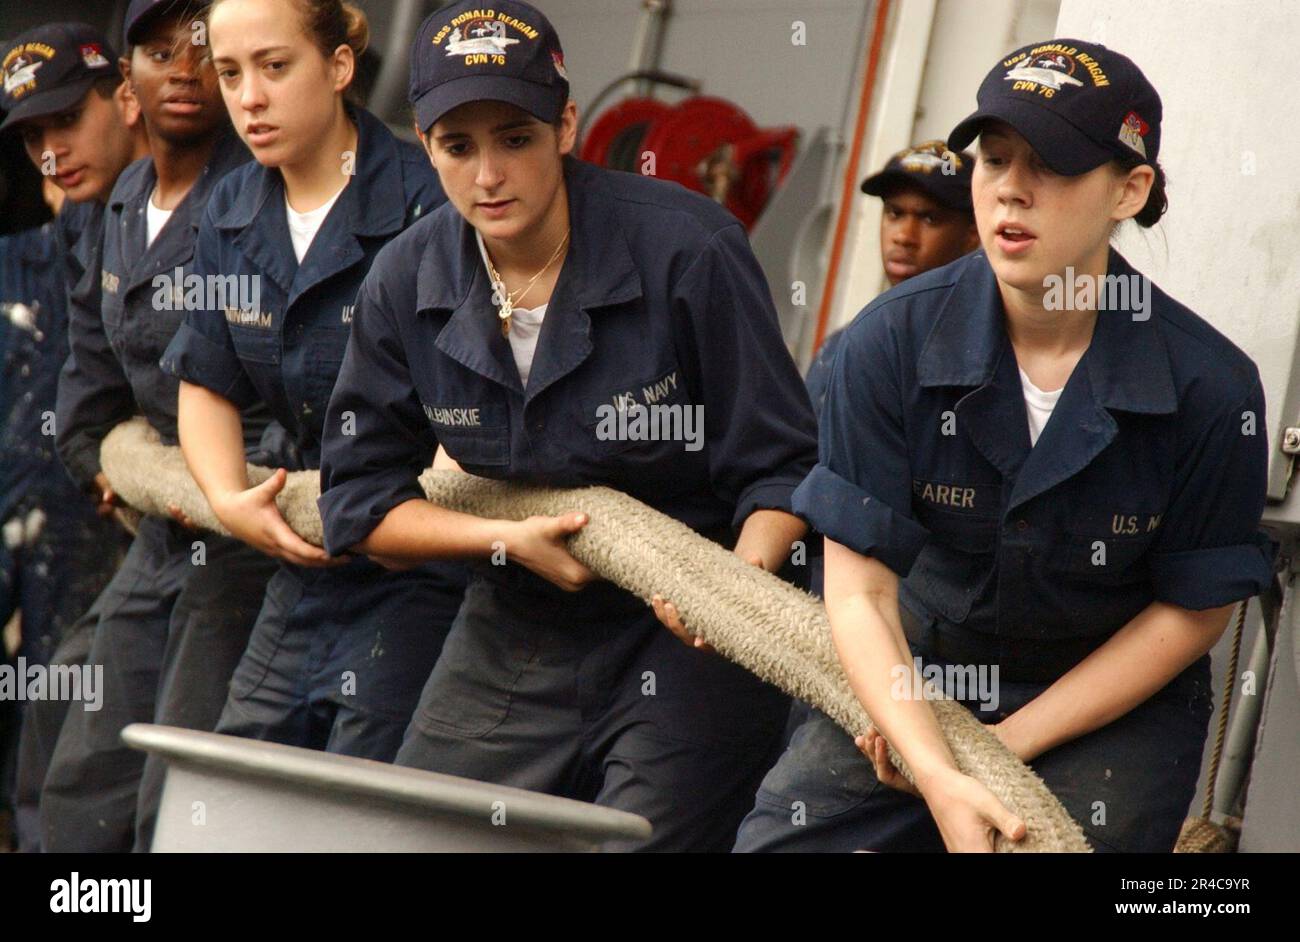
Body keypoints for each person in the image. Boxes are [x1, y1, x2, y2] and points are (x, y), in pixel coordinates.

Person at [734, 39, 1274, 853]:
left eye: (1051, 165)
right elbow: (860, 596)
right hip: (913, 668)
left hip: (1106, 704)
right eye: (993, 159)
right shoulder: (885, 344)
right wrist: (933, 761)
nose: (1011, 190)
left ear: (1130, 189)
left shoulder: (1211, 389)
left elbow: (1191, 614)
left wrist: (997, 752)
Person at [315, 0, 817, 852]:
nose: (488, 176)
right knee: (418, 837)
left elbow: (781, 470)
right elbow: (360, 503)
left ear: (567, 125)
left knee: (640, 839)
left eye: (515, 137)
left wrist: (729, 596)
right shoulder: (405, 280)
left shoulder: (688, 250)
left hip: (684, 622)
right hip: (515, 614)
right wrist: (503, 543)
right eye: (457, 146)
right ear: (427, 146)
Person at [161, 0, 465, 763]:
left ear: (338, 68)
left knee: (358, 787)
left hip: (424, 567)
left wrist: (412, 517)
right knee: (246, 767)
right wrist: (231, 502)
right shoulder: (230, 208)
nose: (248, 98)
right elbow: (206, 379)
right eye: (229, 73)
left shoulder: (431, 202)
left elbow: (479, 403)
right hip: (301, 551)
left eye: (274, 65)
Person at [39, 1, 288, 853]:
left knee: (181, 789)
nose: (182, 66)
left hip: (256, 525)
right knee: (82, 777)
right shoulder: (120, 204)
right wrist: (105, 468)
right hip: (158, 520)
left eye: (201, 47)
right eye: (157, 49)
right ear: (127, 80)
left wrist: (233, 484)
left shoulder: (267, 200)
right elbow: (90, 379)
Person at [0, 21, 148, 852]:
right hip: (100, 505)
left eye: (65, 122)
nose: (50, 152)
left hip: (217, 524)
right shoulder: (69, 234)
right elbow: (85, 387)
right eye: (30, 139)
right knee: (54, 730)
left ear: (123, 97)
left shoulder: (218, 201)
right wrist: (98, 453)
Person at [804, 140, 978, 419]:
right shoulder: (845, 346)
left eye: (929, 219)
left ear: (973, 233)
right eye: (894, 213)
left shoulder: (990, 349)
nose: (904, 236)